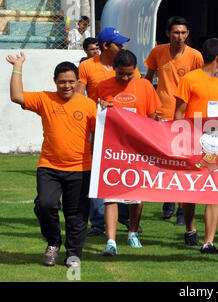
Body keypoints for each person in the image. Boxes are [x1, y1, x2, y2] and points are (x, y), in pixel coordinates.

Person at [6, 53, 96, 268]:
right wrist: (17, 67)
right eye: (62, 81)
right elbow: (17, 96)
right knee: (45, 205)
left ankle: (73, 254)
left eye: (71, 82)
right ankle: (53, 242)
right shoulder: (45, 99)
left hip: (81, 168)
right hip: (49, 166)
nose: (66, 85)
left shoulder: (89, 105)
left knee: (76, 214)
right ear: (55, 81)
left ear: (77, 82)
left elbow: (103, 135)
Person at [96, 50, 161, 256]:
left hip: (137, 149)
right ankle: (111, 241)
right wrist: (101, 107)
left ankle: (133, 232)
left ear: (135, 71)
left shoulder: (145, 86)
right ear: (113, 68)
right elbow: (93, 115)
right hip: (111, 149)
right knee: (110, 194)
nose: (124, 78)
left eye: (129, 74)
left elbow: (153, 117)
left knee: (137, 194)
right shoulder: (103, 87)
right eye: (121, 74)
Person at [77, 27, 141, 237]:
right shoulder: (87, 66)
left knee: (127, 172)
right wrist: (96, 105)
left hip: (127, 132)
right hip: (101, 130)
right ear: (106, 46)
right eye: (118, 44)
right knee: (99, 174)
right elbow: (79, 97)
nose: (122, 47)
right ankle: (97, 222)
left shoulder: (129, 66)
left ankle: (124, 216)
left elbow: (137, 91)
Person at [173, 38, 218, 254]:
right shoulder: (190, 79)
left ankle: (209, 242)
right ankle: (190, 229)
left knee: (213, 192)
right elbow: (179, 113)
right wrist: (180, 140)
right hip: (191, 143)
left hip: (214, 147)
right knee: (191, 192)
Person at [144, 16, 204, 224]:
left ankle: (181, 209)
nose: (180, 37)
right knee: (163, 162)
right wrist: (144, 104)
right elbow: (148, 79)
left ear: (188, 35)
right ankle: (168, 199)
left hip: (185, 118)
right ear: (167, 33)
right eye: (176, 32)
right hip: (161, 115)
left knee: (182, 162)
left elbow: (200, 84)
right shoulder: (157, 52)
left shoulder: (195, 56)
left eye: (184, 33)